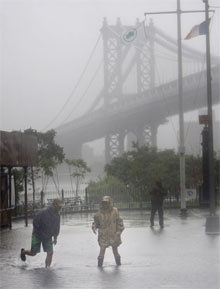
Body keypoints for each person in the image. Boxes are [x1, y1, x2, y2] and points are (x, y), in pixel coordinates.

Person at [20, 198, 62, 268]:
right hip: (37, 235)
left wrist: (55, 238)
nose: (60, 208)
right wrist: (40, 232)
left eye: (61, 206)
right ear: (54, 205)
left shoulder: (57, 216)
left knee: (50, 253)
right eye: (59, 206)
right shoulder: (43, 212)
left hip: (48, 236)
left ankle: (47, 269)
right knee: (33, 253)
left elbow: (56, 228)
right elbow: (35, 222)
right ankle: (23, 252)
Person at [92, 196, 124, 267]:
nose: (105, 204)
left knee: (115, 250)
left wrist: (119, 231)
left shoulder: (115, 211)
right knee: (102, 249)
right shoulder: (99, 212)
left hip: (113, 234)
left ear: (109, 203)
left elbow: (119, 222)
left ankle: (118, 264)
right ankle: (99, 266)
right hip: (103, 234)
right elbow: (96, 223)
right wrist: (94, 227)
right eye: (103, 203)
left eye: (106, 202)